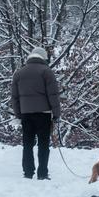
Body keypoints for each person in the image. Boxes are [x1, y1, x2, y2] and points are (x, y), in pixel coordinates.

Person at [11, 47, 61, 180]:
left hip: (26, 114)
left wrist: (19, 114)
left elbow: (15, 97)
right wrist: (56, 114)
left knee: (27, 144)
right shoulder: (46, 72)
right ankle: (42, 173)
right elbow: (53, 95)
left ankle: (28, 172)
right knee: (43, 145)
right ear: (43, 58)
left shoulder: (19, 73)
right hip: (43, 114)